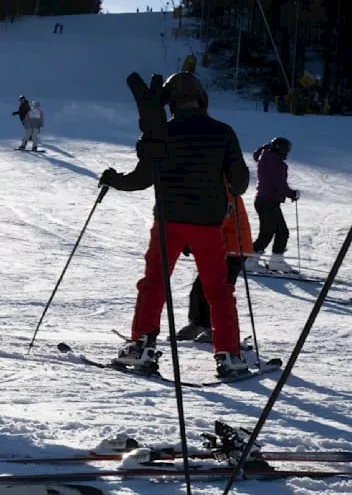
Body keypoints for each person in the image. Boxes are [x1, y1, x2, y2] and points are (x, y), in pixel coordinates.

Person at [99, 71, 251, 378]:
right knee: (218, 290)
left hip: (168, 222)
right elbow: (240, 183)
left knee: (154, 283)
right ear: (201, 98)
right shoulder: (222, 132)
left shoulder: (162, 132)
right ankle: (228, 355)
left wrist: (113, 179)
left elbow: (141, 180)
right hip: (208, 224)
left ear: (170, 103)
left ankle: (141, 347)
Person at [178, 183, 252, 342]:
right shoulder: (213, 185)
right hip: (221, 246)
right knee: (200, 287)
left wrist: (193, 239)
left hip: (234, 248)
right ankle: (198, 323)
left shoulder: (225, 187)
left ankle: (217, 328)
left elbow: (217, 220)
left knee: (218, 289)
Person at [251, 137, 299, 273]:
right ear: (278, 149)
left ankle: (275, 261)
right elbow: (279, 184)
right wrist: (293, 194)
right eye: (285, 150)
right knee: (268, 232)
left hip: (266, 200)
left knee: (281, 231)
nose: (286, 153)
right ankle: (250, 260)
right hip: (267, 200)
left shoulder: (266, 157)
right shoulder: (275, 163)